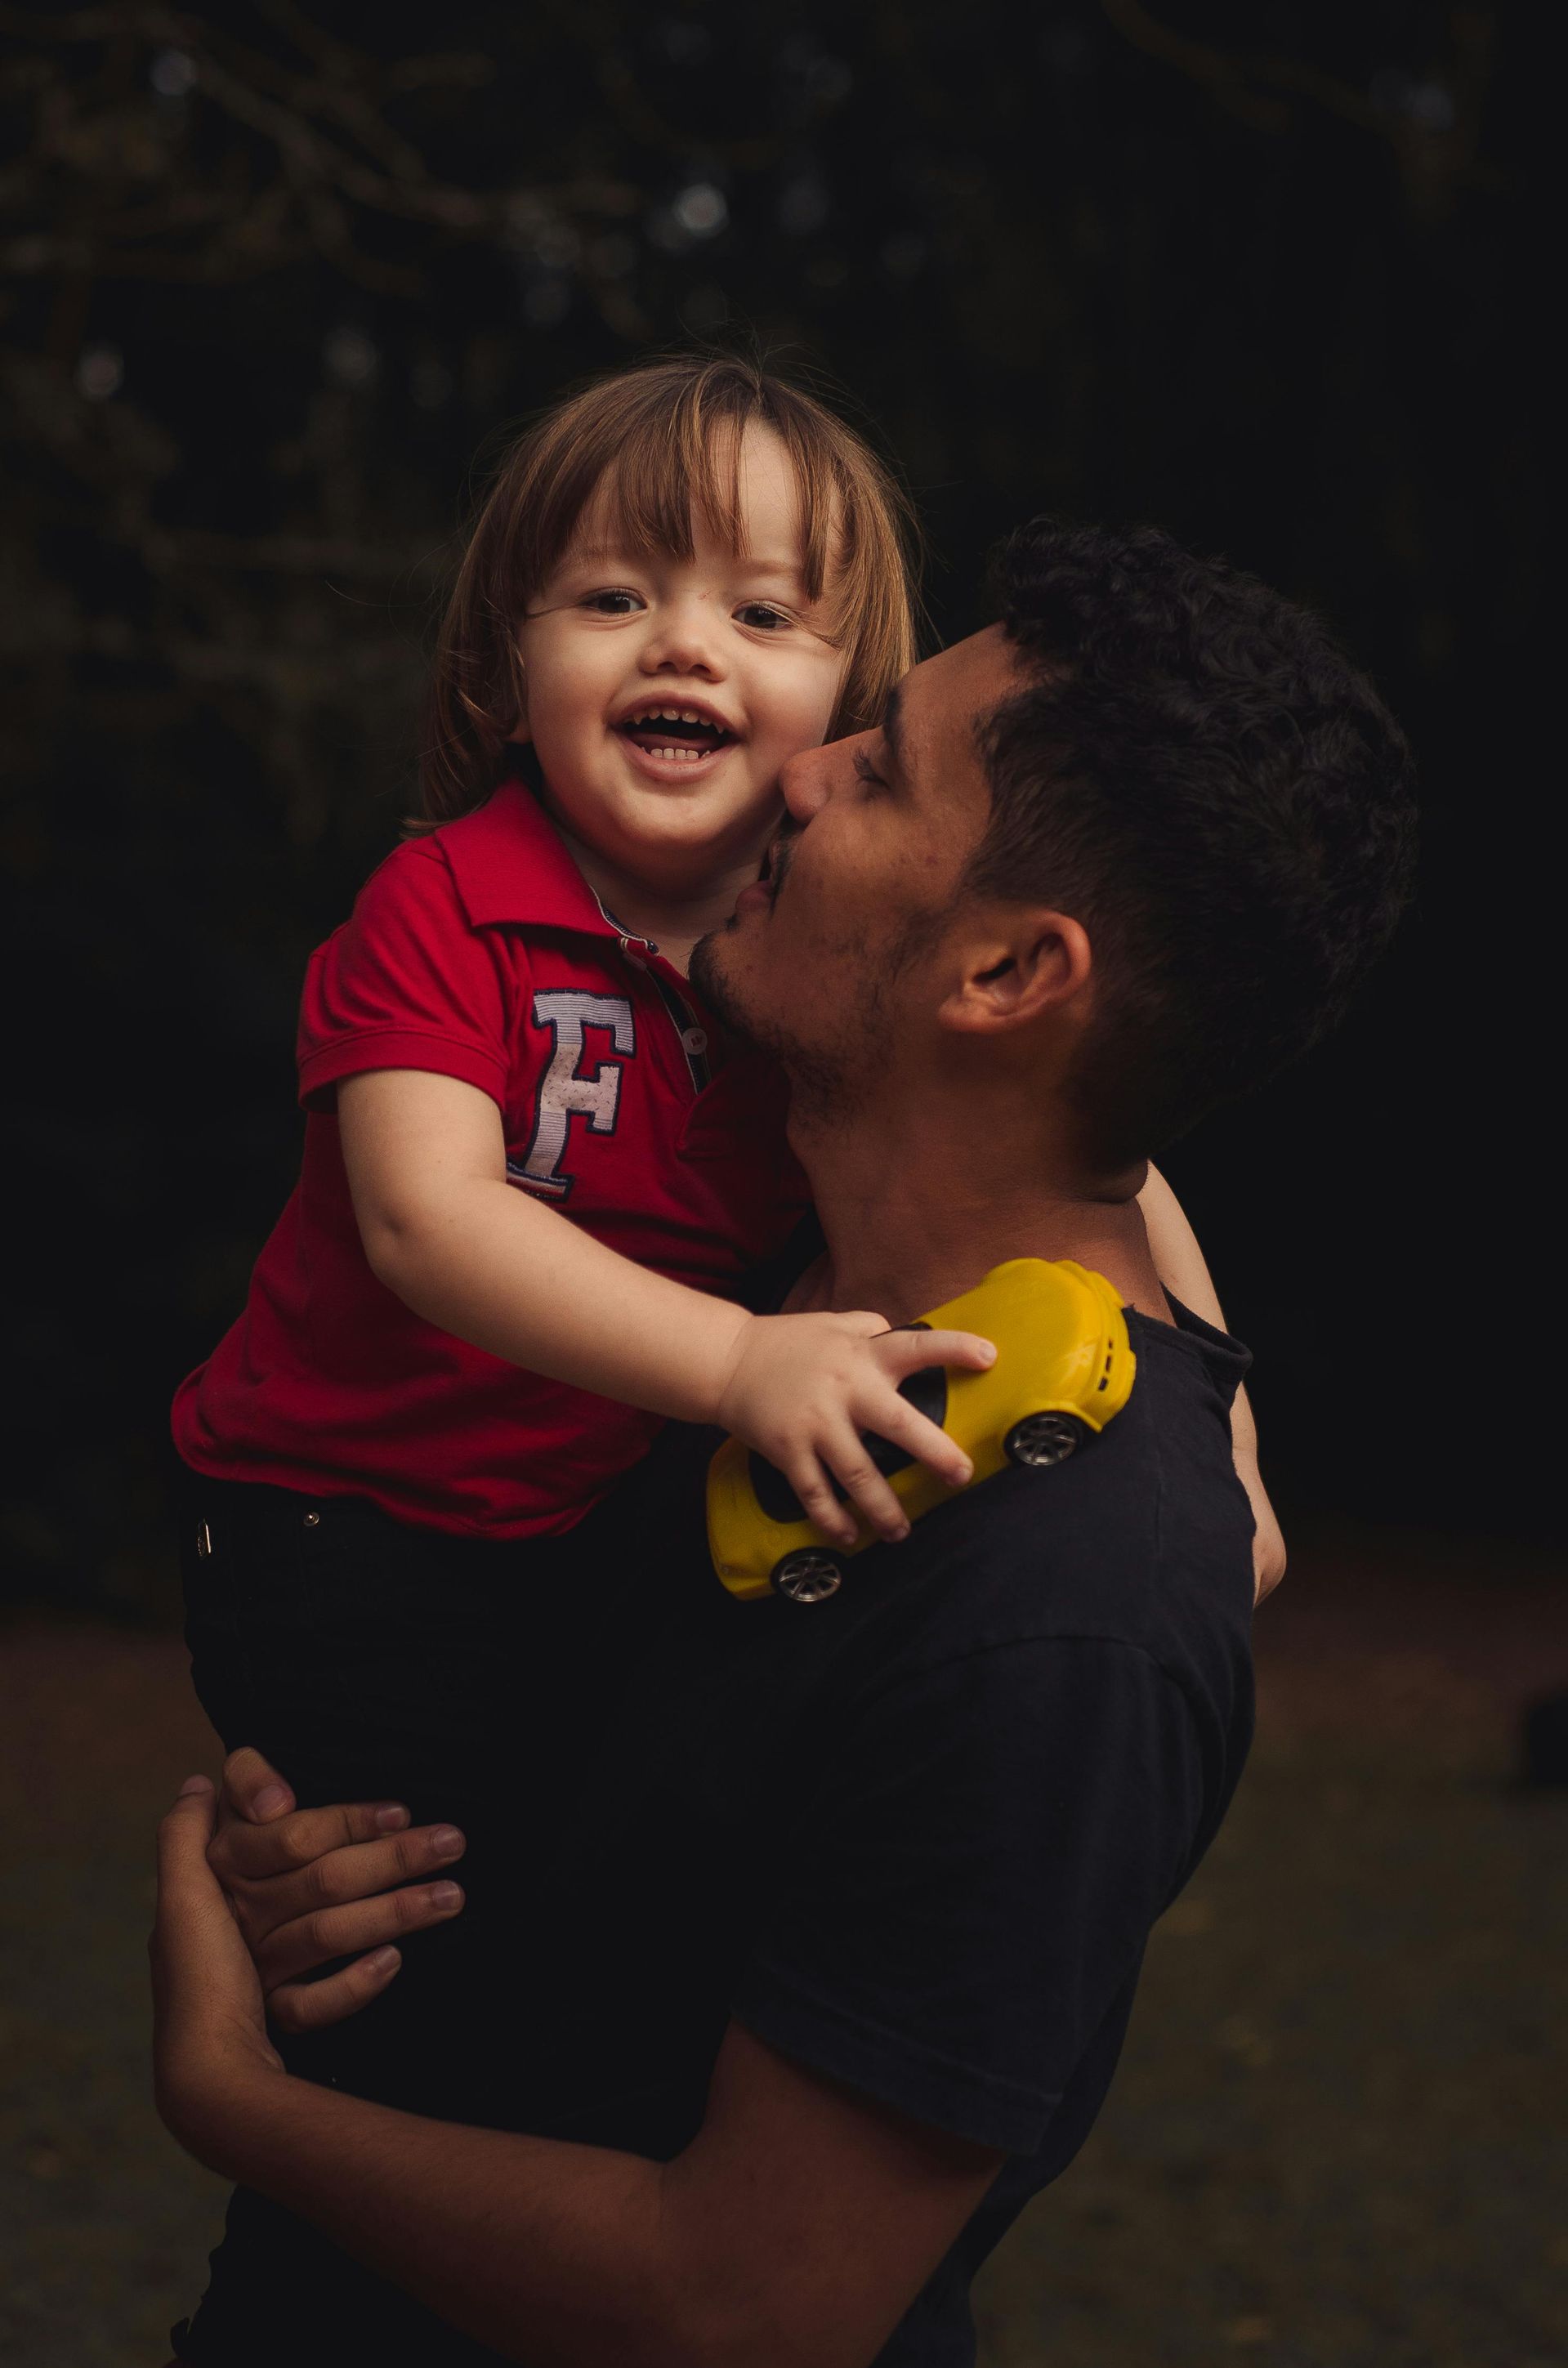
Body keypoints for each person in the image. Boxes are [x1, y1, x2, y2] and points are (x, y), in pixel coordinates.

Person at [152, 516, 1415, 2366]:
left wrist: (227, 2094)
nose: (799, 768)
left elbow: (748, 2304)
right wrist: (336, 1862)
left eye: (883, 766)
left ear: (1005, 978)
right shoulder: (698, 1280)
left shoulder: (1072, 1592)